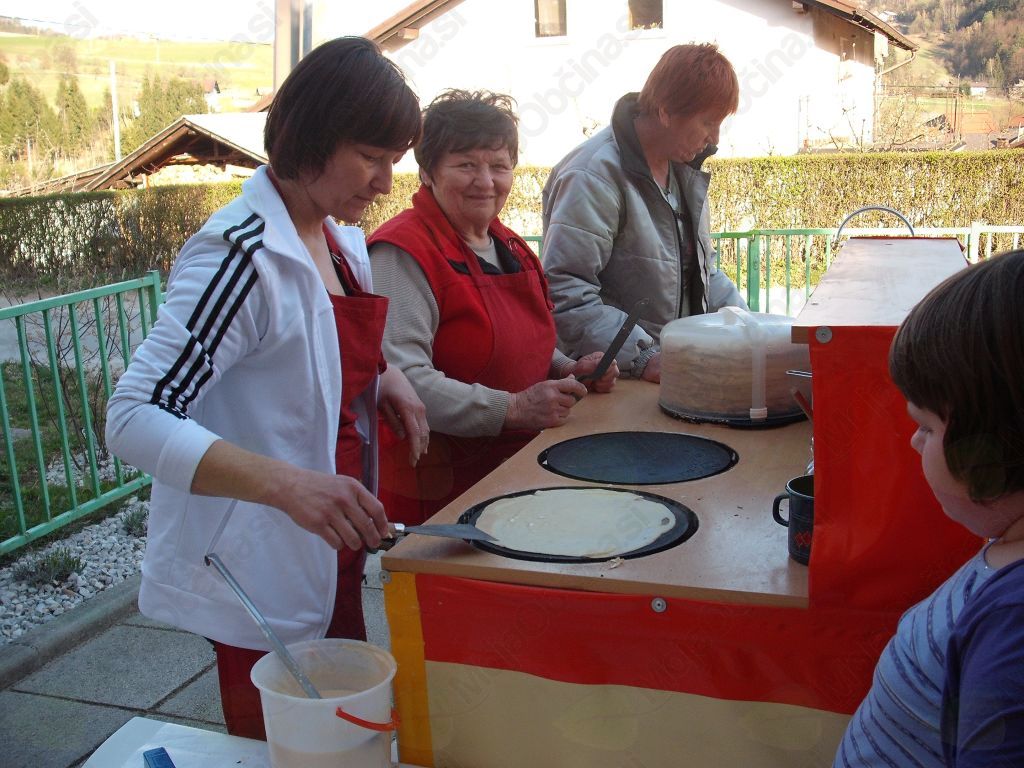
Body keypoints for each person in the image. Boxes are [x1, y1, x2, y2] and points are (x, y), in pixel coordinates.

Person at [104, 37, 429, 739]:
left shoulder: (336, 241)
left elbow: (318, 351)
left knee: (342, 728)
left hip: (336, 536)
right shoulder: (240, 255)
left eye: (395, 159)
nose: (385, 183)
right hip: (263, 554)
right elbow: (133, 415)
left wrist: (386, 375)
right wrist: (288, 487)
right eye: (371, 157)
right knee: (284, 740)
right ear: (312, 138)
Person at [368, 90, 617, 525]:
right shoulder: (401, 252)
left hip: (519, 476)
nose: (485, 182)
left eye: (499, 166)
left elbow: (526, 342)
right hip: (441, 493)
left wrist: (568, 369)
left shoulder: (510, 245)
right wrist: (513, 408)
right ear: (427, 171)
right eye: (466, 165)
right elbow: (404, 380)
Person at [834, 249, 1024, 767]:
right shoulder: (1005, 547)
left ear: (999, 441)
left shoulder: (1014, 626)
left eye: (927, 426)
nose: (914, 441)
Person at [541, 43, 748, 384]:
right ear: (665, 112)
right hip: (615, 379)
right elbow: (565, 290)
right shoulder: (593, 175)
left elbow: (705, 271)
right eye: (708, 122)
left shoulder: (683, 169)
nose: (714, 138)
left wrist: (750, 326)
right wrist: (642, 356)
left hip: (676, 370)